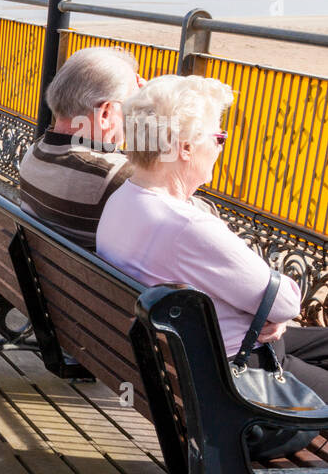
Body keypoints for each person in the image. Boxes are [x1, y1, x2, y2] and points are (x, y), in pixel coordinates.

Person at [98, 74, 328, 396]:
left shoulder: (121, 200)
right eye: (218, 138)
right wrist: (265, 312)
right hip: (237, 382)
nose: (220, 148)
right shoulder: (186, 225)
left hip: (176, 369)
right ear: (186, 148)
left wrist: (261, 314)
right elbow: (285, 302)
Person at [17, 47, 144, 249]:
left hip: (47, 276)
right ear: (105, 113)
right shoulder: (114, 177)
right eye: (132, 108)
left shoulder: (35, 154)